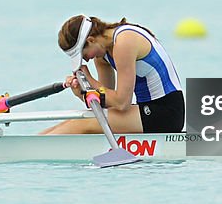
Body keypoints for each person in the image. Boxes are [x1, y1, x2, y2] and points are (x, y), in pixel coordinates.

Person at [41, 14, 184, 135]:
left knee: (83, 124)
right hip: (144, 110)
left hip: (167, 112)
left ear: (91, 40)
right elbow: (105, 104)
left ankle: (31, 149)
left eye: (83, 54)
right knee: (78, 120)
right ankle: (33, 142)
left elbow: (122, 103)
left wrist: (89, 80)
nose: (85, 60)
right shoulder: (101, 55)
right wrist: (81, 92)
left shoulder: (124, 41)